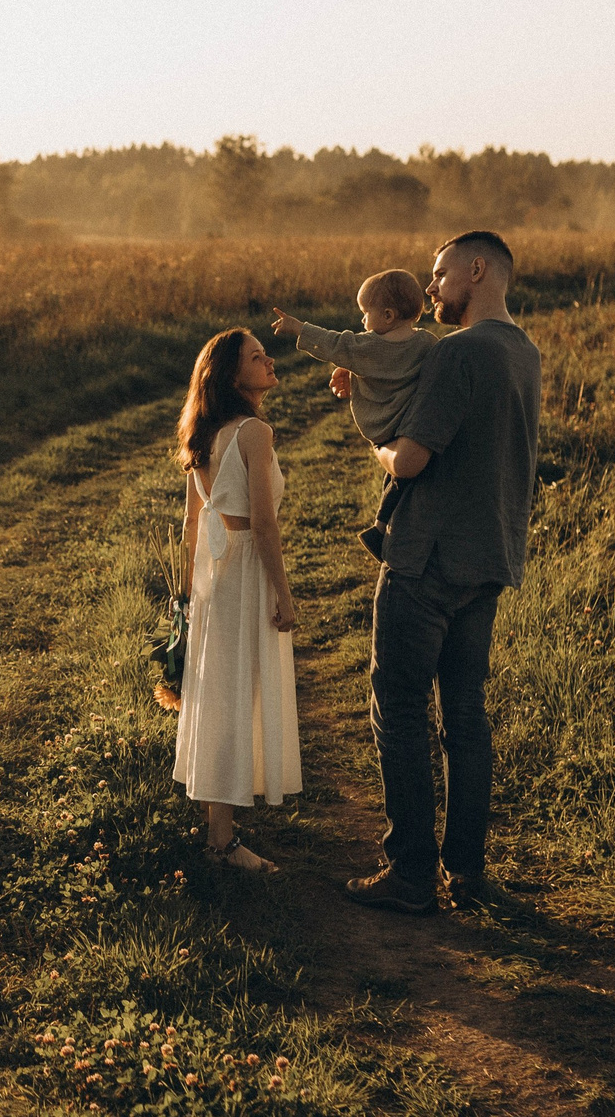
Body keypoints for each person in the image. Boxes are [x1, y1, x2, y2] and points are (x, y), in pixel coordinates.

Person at [339, 231, 541, 915]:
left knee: (398, 710)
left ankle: (411, 874)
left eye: (440, 273)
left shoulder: (460, 352)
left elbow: (411, 459)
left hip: (427, 556)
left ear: (477, 270)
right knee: (466, 718)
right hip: (490, 556)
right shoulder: (524, 351)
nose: (430, 288)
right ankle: (469, 873)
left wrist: (377, 446)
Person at [170, 328, 303, 872]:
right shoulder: (253, 432)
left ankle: (218, 830)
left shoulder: (204, 432)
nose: (269, 360)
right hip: (245, 567)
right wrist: (284, 593)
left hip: (212, 576)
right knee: (236, 693)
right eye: (256, 357)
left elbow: (191, 523)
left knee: (216, 692)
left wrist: (185, 596)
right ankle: (222, 844)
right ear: (232, 376)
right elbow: (265, 526)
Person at [268, 268, 437, 559]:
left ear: (387, 315)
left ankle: (380, 527)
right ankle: (381, 527)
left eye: (365, 313)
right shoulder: (428, 343)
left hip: (387, 426)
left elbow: (336, 344)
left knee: (397, 475)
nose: (362, 321)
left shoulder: (368, 346)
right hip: (413, 424)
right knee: (399, 480)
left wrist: (299, 328)